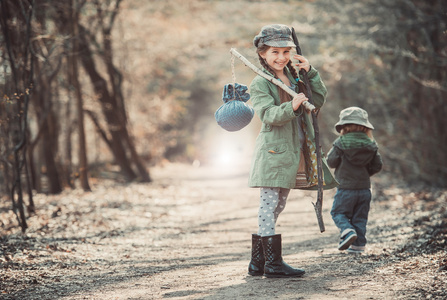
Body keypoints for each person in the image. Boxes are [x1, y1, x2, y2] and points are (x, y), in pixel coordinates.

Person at [247, 24, 337, 278]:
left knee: (278, 205)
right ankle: (273, 265)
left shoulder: (295, 76)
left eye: (286, 51)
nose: (281, 57)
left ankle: (258, 263)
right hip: (274, 151)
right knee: (268, 205)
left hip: (295, 150)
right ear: (263, 53)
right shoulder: (260, 82)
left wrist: (310, 73)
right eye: (275, 52)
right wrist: (292, 107)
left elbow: (316, 101)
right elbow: (268, 115)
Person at [326, 107, 383, 254]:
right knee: (360, 217)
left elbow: (331, 162)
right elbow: (377, 165)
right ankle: (358, 246)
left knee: (338, 213)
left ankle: (347, 231)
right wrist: (365, 174)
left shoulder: (340, 143)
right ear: (365, 127)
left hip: (345, 188)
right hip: (364, 189)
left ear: (343, 126)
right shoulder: (371, 144)